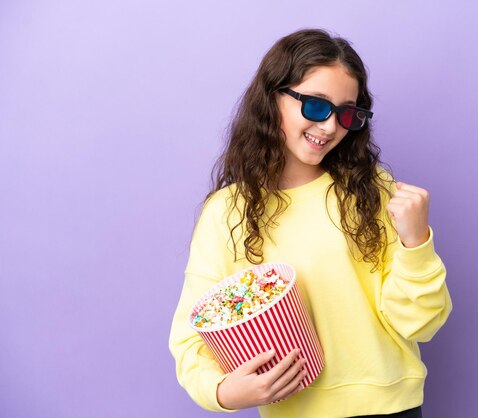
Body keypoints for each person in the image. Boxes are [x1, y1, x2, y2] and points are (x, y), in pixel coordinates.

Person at [168, 28, 452, 418]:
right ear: (273, 98)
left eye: (346, 113)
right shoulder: (228, 212)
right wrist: (223, 392)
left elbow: (420, 324)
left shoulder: (372, 191)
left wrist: (417, 241)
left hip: (392, 408)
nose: (332, 126)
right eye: (316, 106)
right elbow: (191, 336)